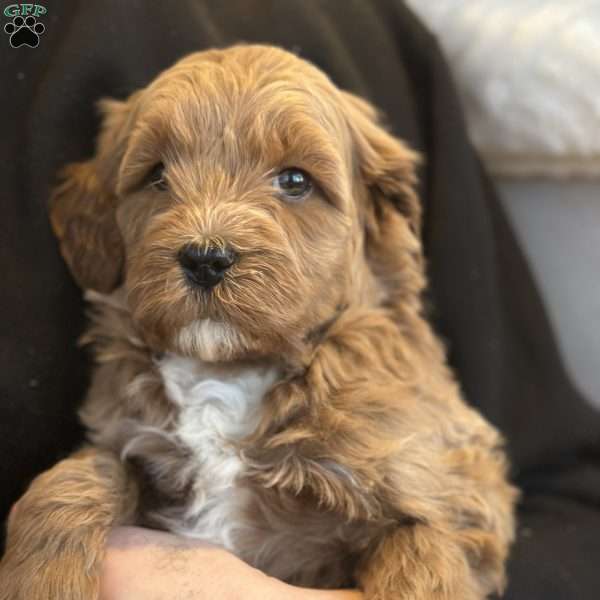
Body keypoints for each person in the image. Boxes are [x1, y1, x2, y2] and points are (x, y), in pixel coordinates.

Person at [2, 1, 599, 598]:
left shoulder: (377, 27)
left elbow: (494, 506)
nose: (206, 239)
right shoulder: (128, 377)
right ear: (105, 212)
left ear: (382, 223)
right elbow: (114, 466)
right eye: (159, 178)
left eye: (293, 182)